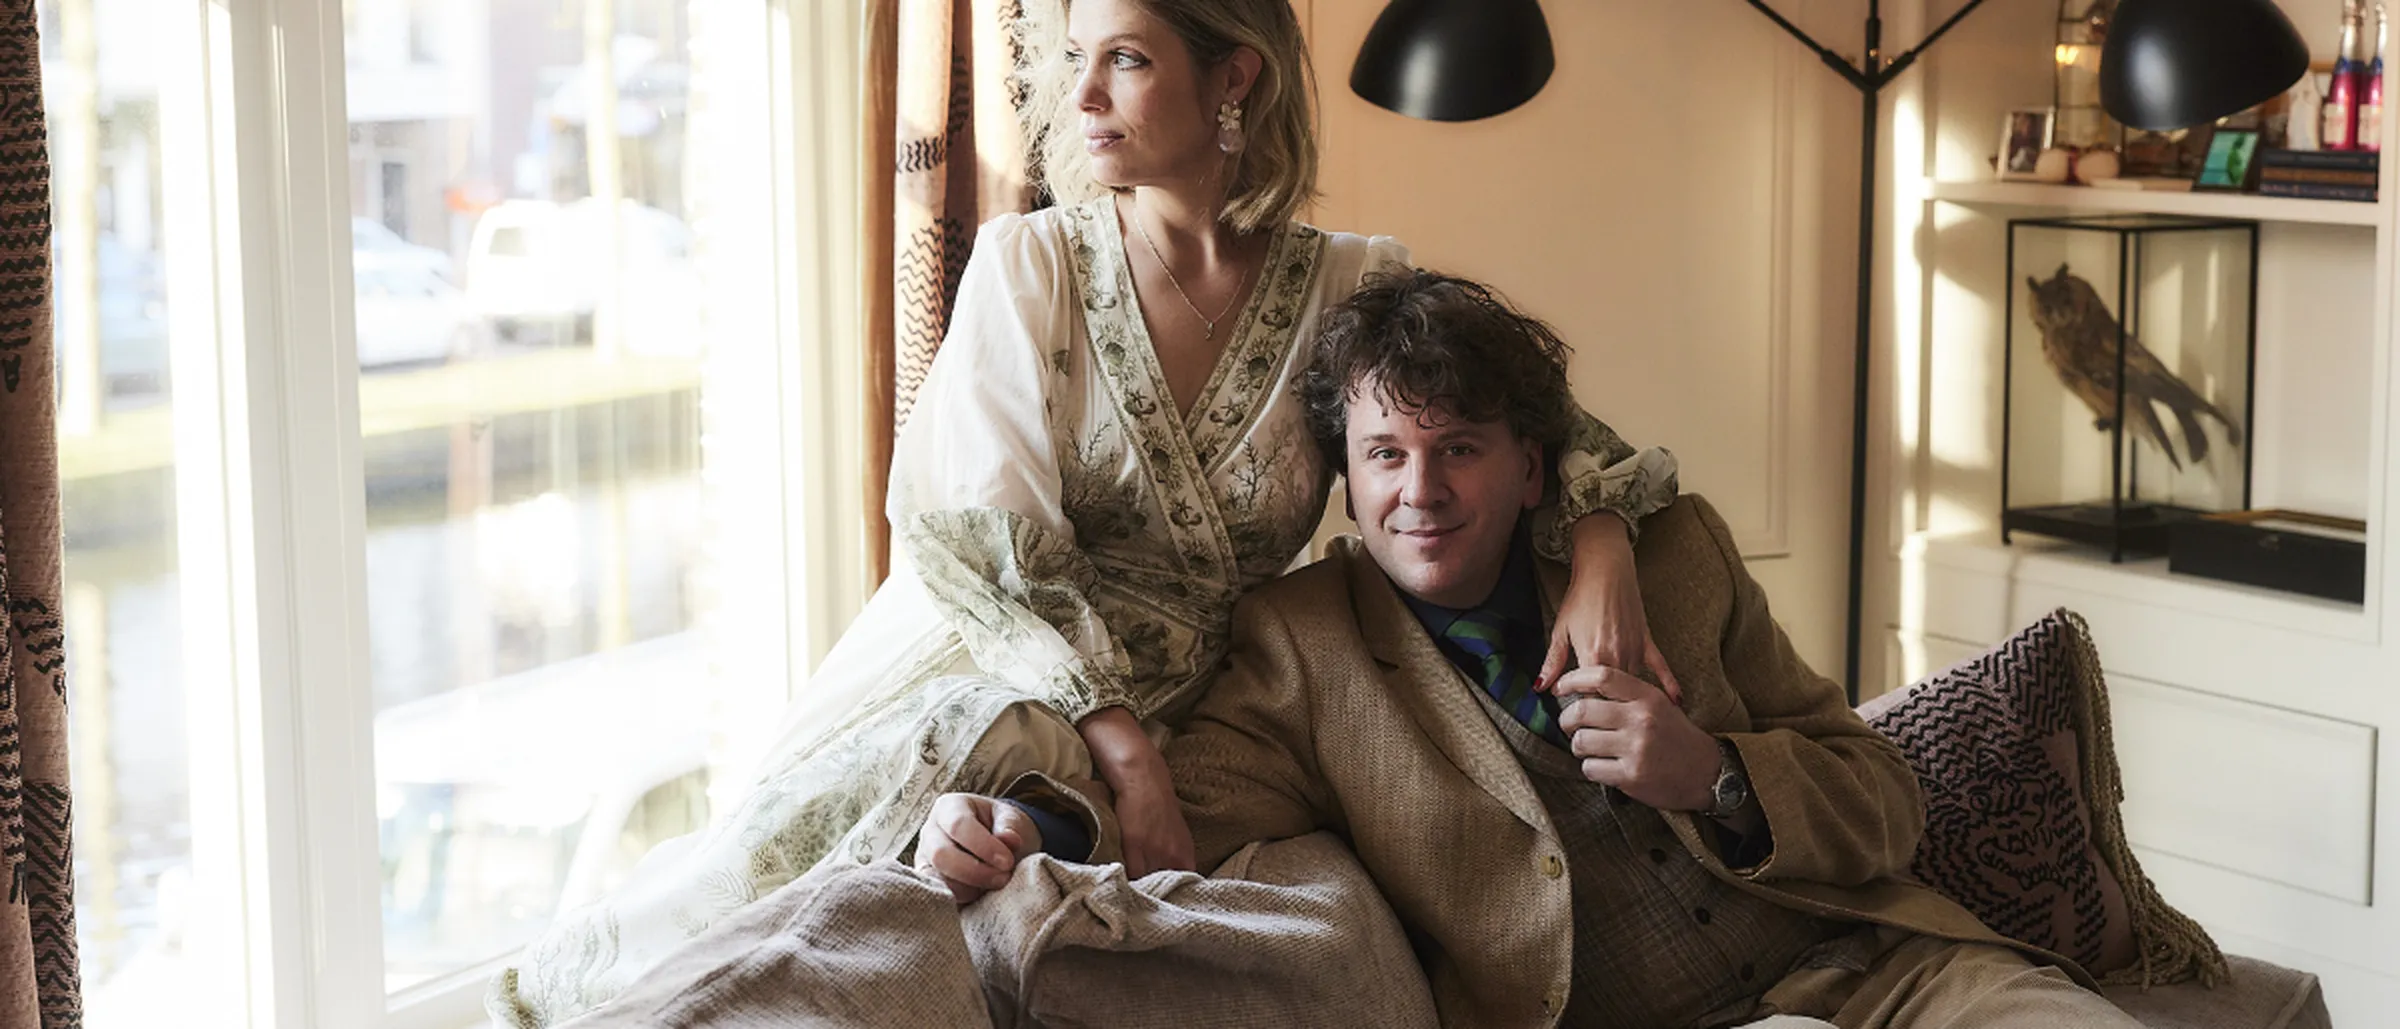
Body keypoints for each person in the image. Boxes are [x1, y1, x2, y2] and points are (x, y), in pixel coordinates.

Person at [486, 0, 1680, 1022]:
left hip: (1223, 704)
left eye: (1126, 58)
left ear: (1234, 77)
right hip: (999, 662)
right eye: (1073, 60)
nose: (1084, 95)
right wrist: (1120, 746)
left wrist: (1603, 548)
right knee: (788, 907)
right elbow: (980, 547)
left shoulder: (1350, 282)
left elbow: (1534, 424)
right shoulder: (1032, 266)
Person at [919, 270, 2149, 1028]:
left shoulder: (1675, 556)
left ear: (1531, 467)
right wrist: (1027, 824)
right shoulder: (1301, 649)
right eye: (1385, 456)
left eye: (1458, 448)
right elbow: (1189, 803)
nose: (1420, 492)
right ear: (1347, 481)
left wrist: (1715, 774)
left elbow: (1883, 796)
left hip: (1892, 980)